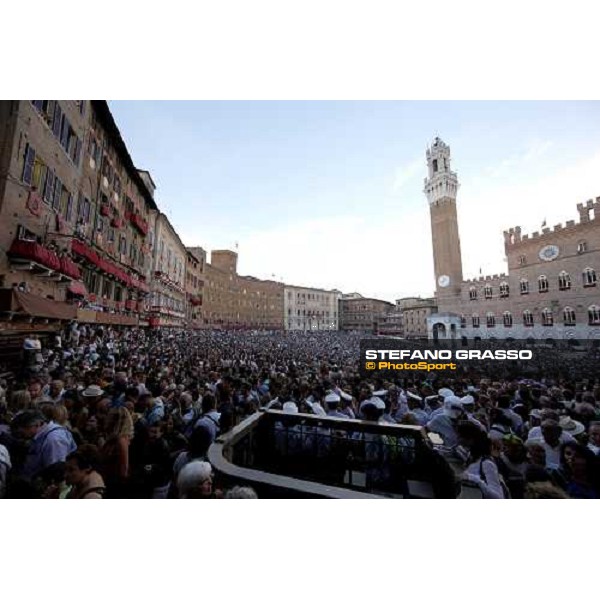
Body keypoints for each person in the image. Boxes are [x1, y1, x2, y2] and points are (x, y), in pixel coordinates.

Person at [12, 410, 77, 483]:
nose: (21, 436)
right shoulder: (41, 435)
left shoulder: (54, 440)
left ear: (36, 425)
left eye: (22, 432)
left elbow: (56, 472)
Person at [457, 421, 507, 499]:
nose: (458, 439)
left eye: (460, 436)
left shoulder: (486, 463)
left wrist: (473, 479)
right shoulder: (470, 456)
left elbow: (498, 496)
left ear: (470, 439)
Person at [98, 407, 133, 499]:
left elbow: (123, 471)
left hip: (114, 487)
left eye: (108, 417)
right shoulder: (113, 438)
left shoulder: (121, 441)